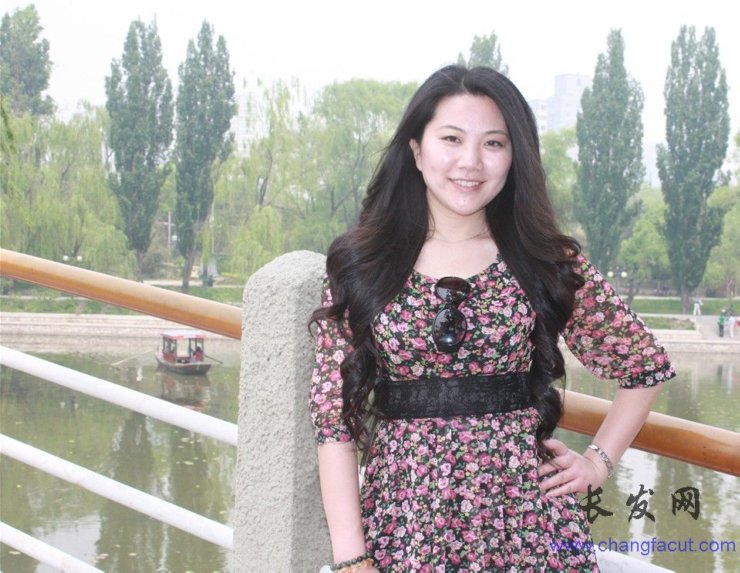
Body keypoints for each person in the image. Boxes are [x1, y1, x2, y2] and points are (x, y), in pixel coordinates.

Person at [309, 65, 675, 572]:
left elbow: (644, 366)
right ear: (416, 150)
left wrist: (597, 462)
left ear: (515, 156)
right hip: (405, 524)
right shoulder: (364, 264)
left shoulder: (544, 261)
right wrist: (352, 559)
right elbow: (332, 419)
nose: (471, 162)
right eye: (451, 139)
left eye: (494, 144)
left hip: (528, 526)